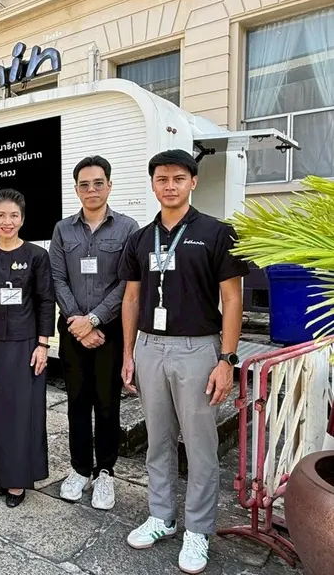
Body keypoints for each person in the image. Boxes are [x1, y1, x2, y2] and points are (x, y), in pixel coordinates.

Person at [118, 149, 248, 574]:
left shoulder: (216, 232)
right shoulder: (140, 238)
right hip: (150, 347)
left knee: (199, 443)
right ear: (152, 184)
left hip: (198, 349)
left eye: (177, 178)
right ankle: (161, 516)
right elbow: (132, 298)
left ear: (193, 182)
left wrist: (227, 359)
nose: (169, 185)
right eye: (161, 178)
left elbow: (232, 299)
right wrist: (128, 353)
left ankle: (198, 529)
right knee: (157, 438)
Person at [49, 156, 139, 510]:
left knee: (106, 403)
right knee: (76, 403)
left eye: (98, 183)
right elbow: (57, 278)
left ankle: (105, 473)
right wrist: (77, 320)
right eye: (84, 184)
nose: (91, 190)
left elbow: (128, 284)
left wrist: (96, 320)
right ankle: (79, 469)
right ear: (76, 189)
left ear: (109, 186)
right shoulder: (62, 229)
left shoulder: (129, 228)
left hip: (110, 332)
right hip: (73, 331)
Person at [0, 188, 55, 508]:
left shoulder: (36, 256)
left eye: (13, 215)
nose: (7, 221)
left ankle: (17, 481)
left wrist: (43, 344)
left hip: (25, 346)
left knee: (21, 415)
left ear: (23, 219)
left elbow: (47, 302)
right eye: (1, 215)